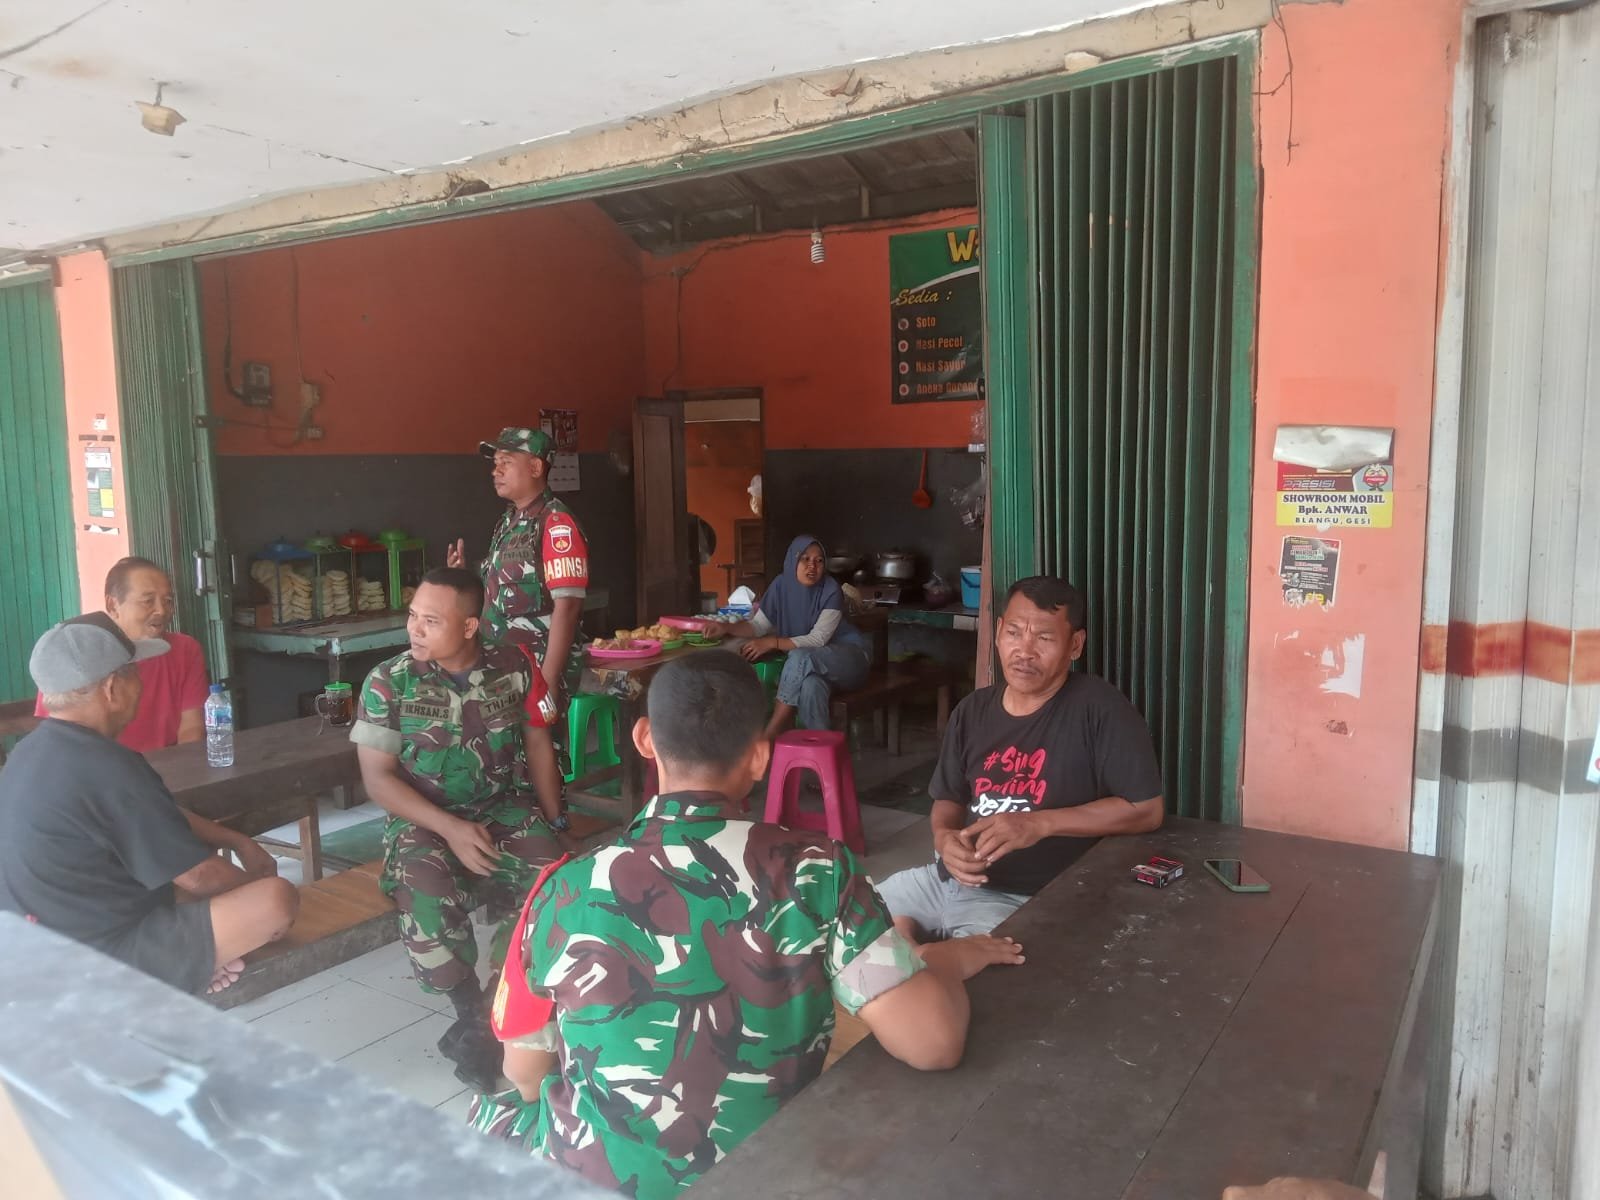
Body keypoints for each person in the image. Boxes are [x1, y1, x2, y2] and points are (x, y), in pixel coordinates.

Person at [469, 652, 1023, 1198]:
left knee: (494, 1117)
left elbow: (525, 1074)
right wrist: (939, 960)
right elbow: (933, 1044)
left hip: (595, 1178)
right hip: (765, 1174)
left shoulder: (561, 891)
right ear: (760, 758)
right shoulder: (817, 870)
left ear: (644, 739)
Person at [351, 567, 569, 1092]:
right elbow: (378, 780)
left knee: (554, 882)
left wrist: (556, 822)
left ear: (470, 626)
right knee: (424, 891)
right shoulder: (388, 681)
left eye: (431, 620)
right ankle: (469, 1007)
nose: (414, 629)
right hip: (421, 817)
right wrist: (450, 828)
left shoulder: (515, 666)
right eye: (412, 616)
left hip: (502, 808)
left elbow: (538, 744)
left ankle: (495, 1009)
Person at [0, 614, 298, 995]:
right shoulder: (106, 764)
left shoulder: (27, 754)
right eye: (135, 673)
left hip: (36, 948)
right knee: (275, 900)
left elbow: (156, 816)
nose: (141, 685)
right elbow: (199, 876)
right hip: (91, 963)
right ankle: (185, 966)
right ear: (112, 688)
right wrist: (254, 885)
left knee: (184, 891)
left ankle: (195, 959)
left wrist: (236, 840)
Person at [875, 575, 1165, 943]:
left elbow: (1146, 810)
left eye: (1044, 638)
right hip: (942, 881)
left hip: (1024, 898)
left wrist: (1038, 823)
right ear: (998, 633)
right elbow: (948, 798)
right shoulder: (973, 710)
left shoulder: (1099, 709)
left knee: (969, 974)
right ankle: (910, 947)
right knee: (840, 925)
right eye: (1014, 633)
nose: (1024, 651)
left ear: (1075, 645)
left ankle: (915, 953)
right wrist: (944, 838)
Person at [447, 426, 589, 720]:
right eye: (495, 463)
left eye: (506, 462)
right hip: (502, 671)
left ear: (535, 467)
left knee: (540, 746)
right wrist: (463, 575)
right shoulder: (509, 522)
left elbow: (568, 606)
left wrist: (547, 682)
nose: (495, 471)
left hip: (535, 673)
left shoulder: (556, 523)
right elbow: (499, 593)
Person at [33, 556, 208, 753]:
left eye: (168, 601)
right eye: (148, 601)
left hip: (169, 765)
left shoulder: (185, 649)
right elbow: (56, 737)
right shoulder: (75, 655)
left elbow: (192, 728)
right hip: (98, 766)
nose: (161, 610)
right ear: (112, 605)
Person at [723, 535, 871, 739]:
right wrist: (724, 628)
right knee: (811, 687)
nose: (812, 566)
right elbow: (758, 626)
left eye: (819, 561)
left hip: (850, 661)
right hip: (816, 669)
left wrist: (772, 642)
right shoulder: (780, 585)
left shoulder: (830, 590)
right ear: (792, 559)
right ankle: (819, 746)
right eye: (805, 559)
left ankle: (772, 732)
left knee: (801, 656)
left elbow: (817, 640)